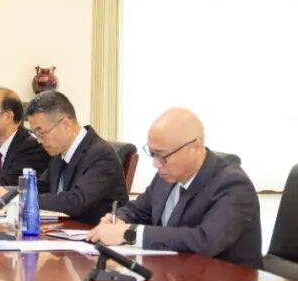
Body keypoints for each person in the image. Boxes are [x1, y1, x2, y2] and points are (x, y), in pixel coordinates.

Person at [87, 108, 263, 270]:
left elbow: (205, 240)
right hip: (175, 275)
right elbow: (139, 209)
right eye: (152, 154)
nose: (156, 164)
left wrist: (130, 234)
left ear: (195, 146)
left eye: (162, 155)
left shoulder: (233, 184)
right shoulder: (167, 174)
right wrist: (118, 219)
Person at [0, 90, 127, 224]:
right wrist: (6, 193)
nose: (39, 140)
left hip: (93, 237)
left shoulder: (101, 154)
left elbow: (75, 201)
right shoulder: (58, 153)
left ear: (66, 125)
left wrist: (16, 199)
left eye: (41, 132)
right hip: (62, 233)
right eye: (35, 133)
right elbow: (40, 187)